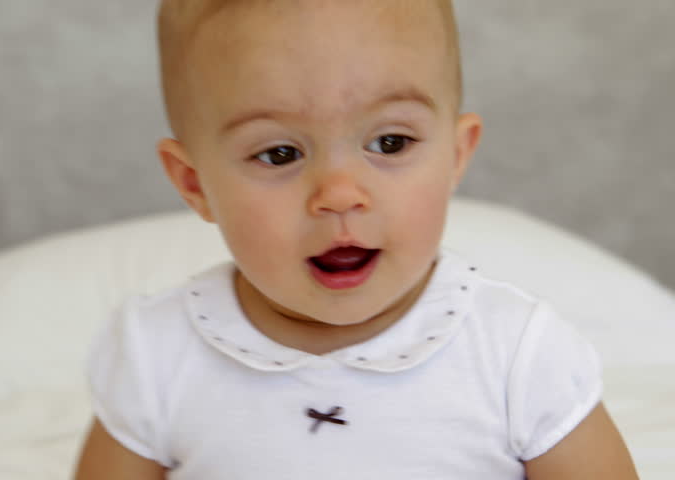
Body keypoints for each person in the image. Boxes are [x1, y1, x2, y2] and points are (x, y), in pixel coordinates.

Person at [75, 0, 639, 478]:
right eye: (279, 154)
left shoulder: (516, 352)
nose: (340, 194)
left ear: (455, 155)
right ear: (194, 184)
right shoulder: (156, 356)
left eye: (390, 143)